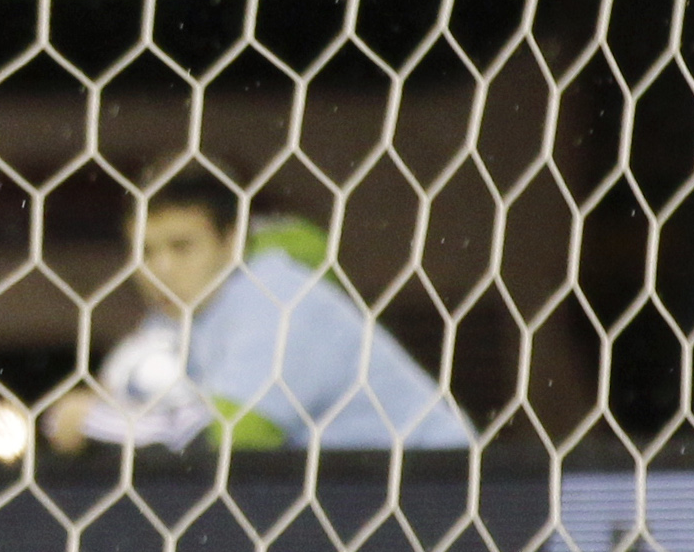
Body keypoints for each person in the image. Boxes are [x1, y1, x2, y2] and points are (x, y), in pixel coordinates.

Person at [46, 172, 473, 456]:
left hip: (437, 491)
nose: (159, 269)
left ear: (231, 242)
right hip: (352, 503)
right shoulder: (174, 322)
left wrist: (97, 421)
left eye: (181, 247)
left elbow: (239, 439)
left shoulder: (278, 297)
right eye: (144, 251)